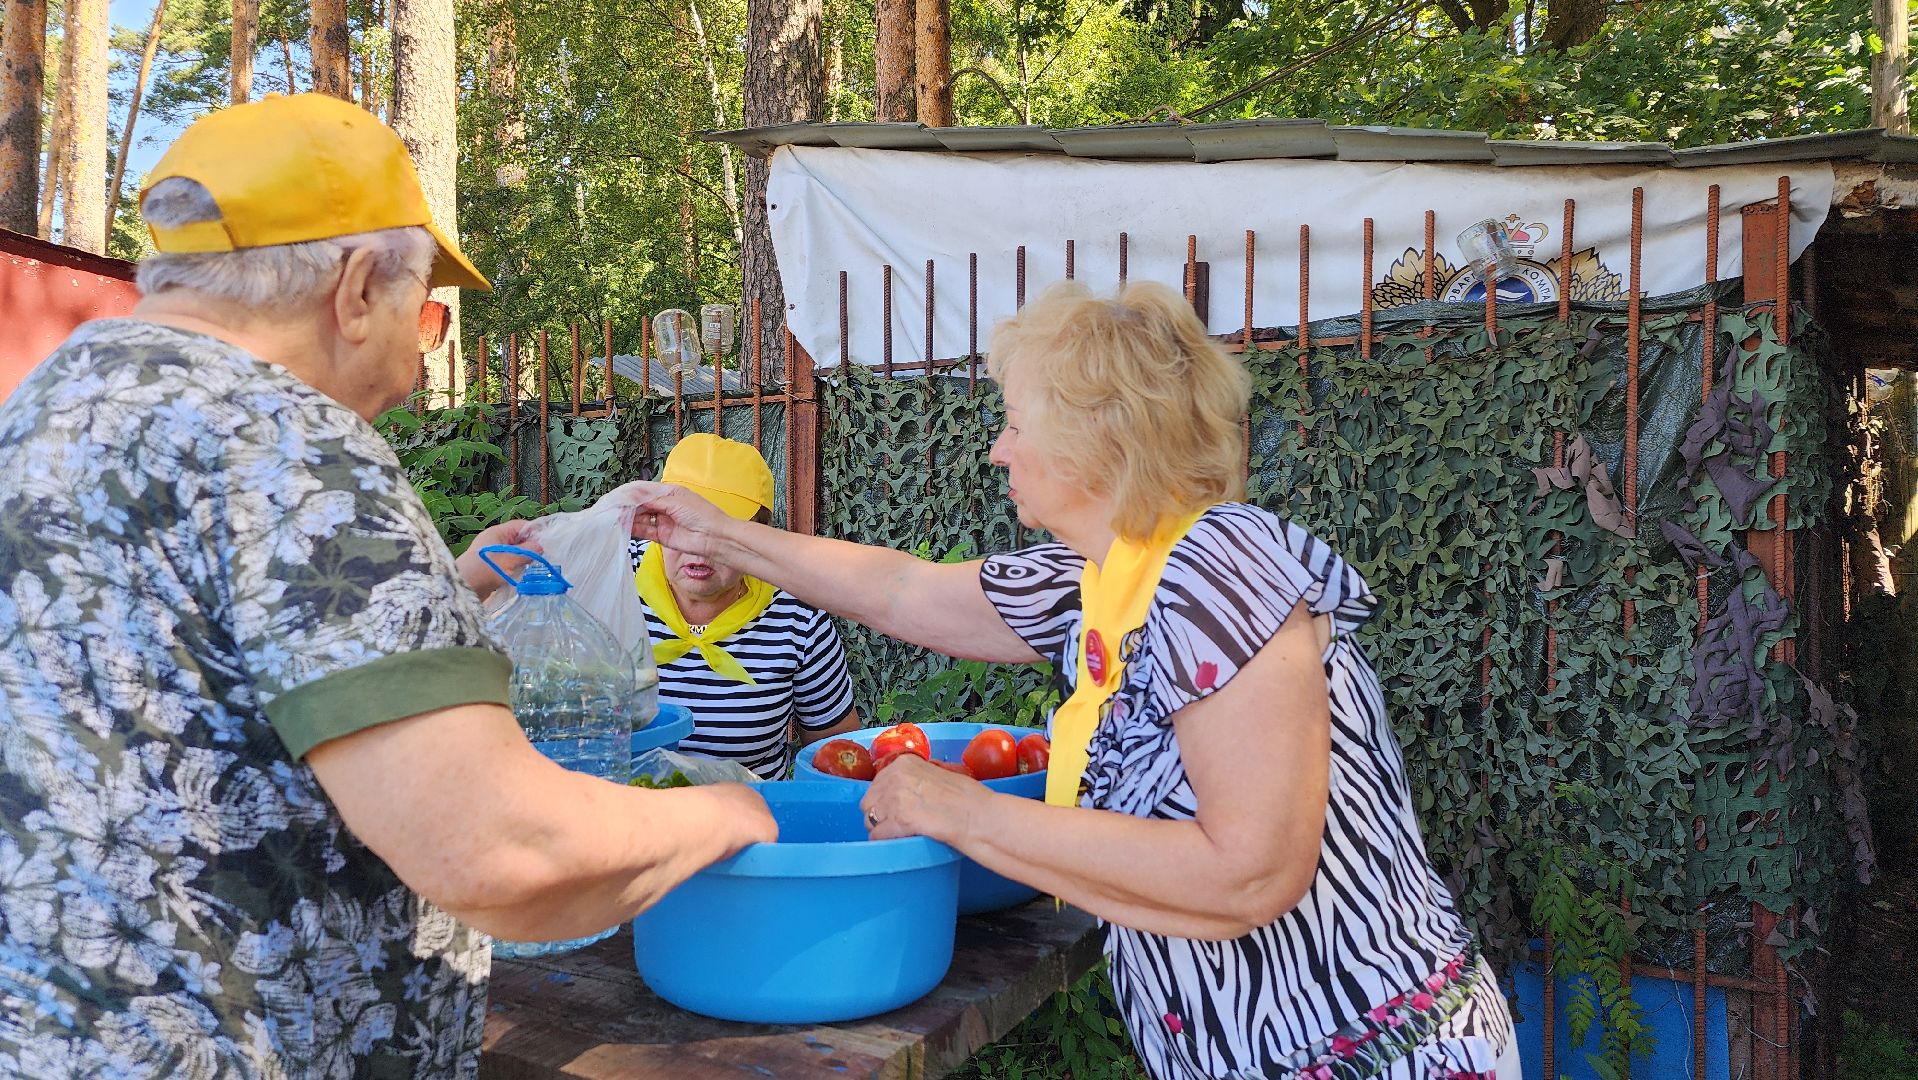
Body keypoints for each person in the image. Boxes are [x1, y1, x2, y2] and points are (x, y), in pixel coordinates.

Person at [0, 93, 773, 1078]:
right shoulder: (290, 446)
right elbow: (498, 853)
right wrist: (722, 813)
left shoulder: (46, 412)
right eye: (431, 313)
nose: (427, 349)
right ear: (360, 286)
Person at [622, 281, 1519, 1080]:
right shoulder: (1105, 576)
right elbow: (903, 590)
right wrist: (716, 534)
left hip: (1369, 1054)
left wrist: (960, 812)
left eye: (1015, 422)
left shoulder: (1222, 566)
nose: (998, 452)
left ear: (1098, 434)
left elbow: (1249, 875)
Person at [624, 433, 858, 779]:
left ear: (757, 535)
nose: (698, 548)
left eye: (720, 532)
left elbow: (838, 755)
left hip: (751, 821)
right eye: (682, 524)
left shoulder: (798, 615)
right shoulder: (614, 581)